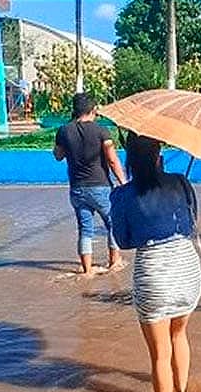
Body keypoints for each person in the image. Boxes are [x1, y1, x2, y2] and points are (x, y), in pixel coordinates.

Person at [109, 133, 201, 392]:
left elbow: (124, 242)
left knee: (160, 354)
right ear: (158, 156)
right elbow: (191, 222)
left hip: (154, 274)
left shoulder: (123, 195)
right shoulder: (181, 183)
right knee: (179, 335)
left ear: (131, 162)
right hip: (187, 267)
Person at [53, 94, 126, 277]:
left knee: (85, 228)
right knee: (112, 224)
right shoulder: (102, 132)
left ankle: (87, 270)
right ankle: (114, 262)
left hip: (77, 189)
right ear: (93, 110)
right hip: (100, 186)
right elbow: (112, 160)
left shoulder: (64, 131)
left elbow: (58, 155)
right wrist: (123, 182)